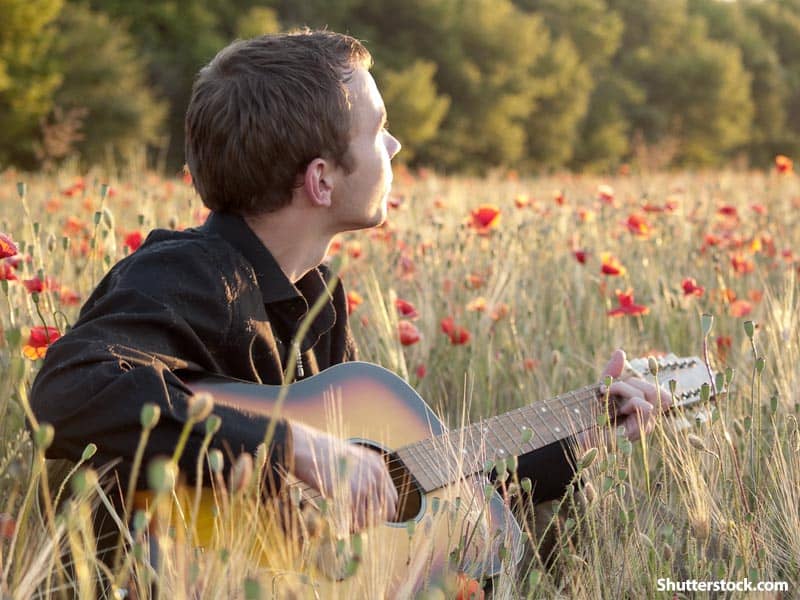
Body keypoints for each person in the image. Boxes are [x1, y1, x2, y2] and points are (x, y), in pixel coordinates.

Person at [29, 29, 667, 573]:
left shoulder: (317, 303)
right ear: (322, 179)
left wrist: (585, 431)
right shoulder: (185, 273)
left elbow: (405, 479)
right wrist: (297, 448)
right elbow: (70, 384)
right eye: (379, 130)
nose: (393, 148)